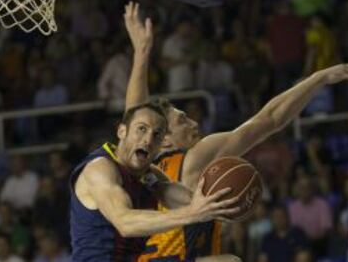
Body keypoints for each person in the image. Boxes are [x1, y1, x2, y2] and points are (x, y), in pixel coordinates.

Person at [122, 1, 348, 261]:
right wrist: (318, 79)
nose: (194, 124)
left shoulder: (139, 166)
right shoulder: (195, 156)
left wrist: (141, 54)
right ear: (164, 140)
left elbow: (134, 113)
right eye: (182, 121)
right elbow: (270, 119)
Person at [70, 101, 240, 261]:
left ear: (162, 143)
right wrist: (193, 213)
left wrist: (217, 207)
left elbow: (182, 198)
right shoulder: (100, 169)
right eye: (142, 129)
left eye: (157, 134)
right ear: (122, 131)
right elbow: (124, 222)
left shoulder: (147, 174)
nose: (148, 140)